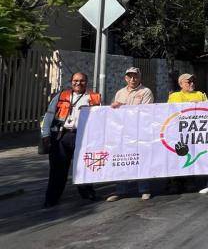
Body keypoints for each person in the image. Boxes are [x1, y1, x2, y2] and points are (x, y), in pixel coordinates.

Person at [41, 72, 102, 207]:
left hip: (84, 136)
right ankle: (51, 198)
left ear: (87, 82)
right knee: (58, 169)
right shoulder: (61, 96)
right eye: (75, 80)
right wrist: (45, 135)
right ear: (71, 82)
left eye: (82, 81)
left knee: (84, 166)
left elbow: (102, 118)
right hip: (61, 136)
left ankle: (87, 192)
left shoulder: (93, 98)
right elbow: (49, 115)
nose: (78, 83)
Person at [107, 67, 154, 202]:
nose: (133, 79)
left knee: (141, 160)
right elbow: (114, 113)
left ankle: (144, 189)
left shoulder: (146, 92)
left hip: (140, 131)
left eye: (135, 76)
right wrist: (114, 107)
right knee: (121, 160)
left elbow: (145, 111)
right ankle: (120, 190)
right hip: (122, 132)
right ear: (126, 78)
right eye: (130, 76)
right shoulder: (120, 92)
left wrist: (124, 106)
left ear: (140, 78)